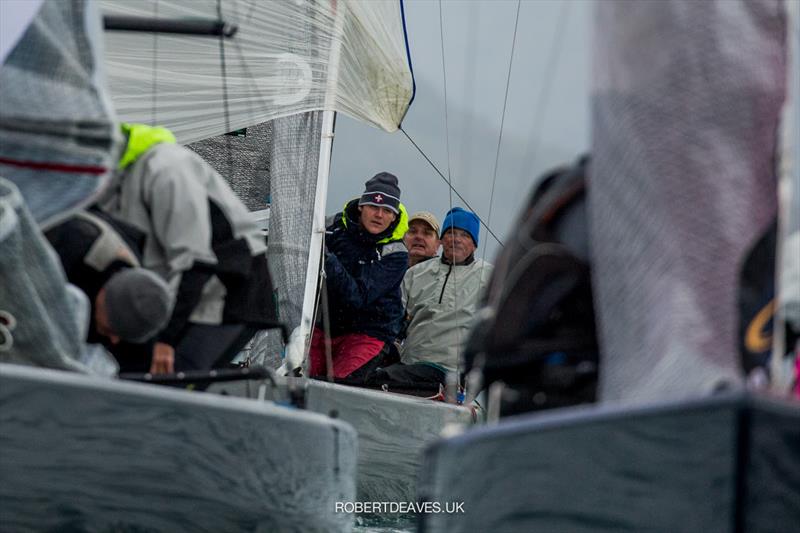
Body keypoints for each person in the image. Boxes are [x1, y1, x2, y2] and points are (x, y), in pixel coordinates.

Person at [97, 123, 279, 374]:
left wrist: (167, 339)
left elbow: (196, 261)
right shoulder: (106, 185)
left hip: (227, 294)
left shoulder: (165, 168)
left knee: (170, 382)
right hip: (174, 296)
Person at [373, 207, 493, 388]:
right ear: (442, 240)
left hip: (454, 373)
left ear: (474, 244)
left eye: (465, 235)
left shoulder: (489, 276)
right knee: (368, 375)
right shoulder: (415, 274)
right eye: (451, 233)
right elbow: (392, 318)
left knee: (376, 380)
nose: (457, 240)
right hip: (411, 365)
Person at [309, 172, 409, 382]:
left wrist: (326, 257)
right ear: (361, 206)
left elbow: (357, 297)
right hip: (324, 326)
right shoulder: (331, 228)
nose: (379, 215)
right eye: (373, 206)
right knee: (298, 375)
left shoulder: (397, 253)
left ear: (394, 216)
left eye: (387, 210)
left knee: (336, 385)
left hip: (369, 333)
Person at [44, 210, 173, 351]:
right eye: (110, 329)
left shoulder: (136, 285)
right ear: (104, 296)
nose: (114, 340)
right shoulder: (71, 245)